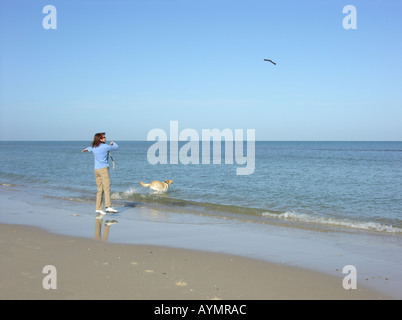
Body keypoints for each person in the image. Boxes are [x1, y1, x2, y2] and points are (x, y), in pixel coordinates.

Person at [82, 132, 119, 215]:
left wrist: (85, 149)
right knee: (107, 188)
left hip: (96, 170)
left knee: (99, 190)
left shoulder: (94, 147)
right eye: (103, 137)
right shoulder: (105, 147)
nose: (105, 138)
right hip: (103, 170)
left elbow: (89, 148)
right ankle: (108, 206)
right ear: (100, 139)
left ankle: (98, 208)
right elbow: (116, 147)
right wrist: (113, 143)